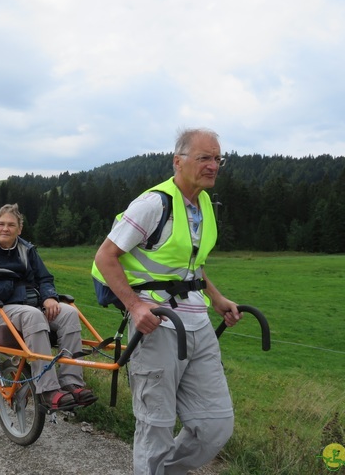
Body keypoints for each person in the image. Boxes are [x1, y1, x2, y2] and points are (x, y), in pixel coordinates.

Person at [93, 128, 242, 475]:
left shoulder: (203, 204)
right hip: (158, 325)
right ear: (178, 161)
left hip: (199, 324)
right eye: (204, 157)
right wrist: (135, 306)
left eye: (217, 158)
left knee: (216, 425)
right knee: (155, 427)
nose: (213, 166)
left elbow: (190, 264)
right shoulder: (153, 204)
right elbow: (106, 256)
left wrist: (216, 298)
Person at [0, 203, 97, 410]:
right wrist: (2, 289)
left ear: (19, 229)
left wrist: (49, 297)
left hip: (29, 304)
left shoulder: (27, 249)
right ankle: (47, 390)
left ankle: (71, 382)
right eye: (1, 224)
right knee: (33, 315)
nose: (5, 228)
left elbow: (45, 278)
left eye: (11, 225)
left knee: (68, 312)